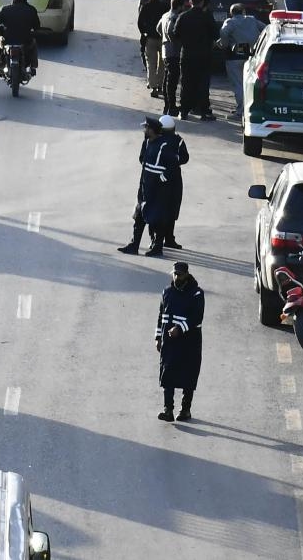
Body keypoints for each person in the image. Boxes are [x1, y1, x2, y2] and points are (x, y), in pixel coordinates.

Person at [155, 262, 204, 422]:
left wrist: (179, 328)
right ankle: (168, 410)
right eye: (175, 274)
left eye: (180, 274)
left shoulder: (197, 294)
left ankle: (185, 410)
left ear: (187, 275)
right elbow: (161, 315)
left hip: (189, 343)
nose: (177, 277)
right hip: (169, 342)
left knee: (188, 376)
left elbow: (197, 318)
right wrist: (157, 337)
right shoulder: (167, 292)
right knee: (167, 373)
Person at [140, 114, 189, 255]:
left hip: (161, 181)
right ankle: (161, 239)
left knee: (164, 209)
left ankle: (162, 239)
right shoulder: (175, 140)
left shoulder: (154, 140)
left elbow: (142, 158)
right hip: (169, 181)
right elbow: (184, 158)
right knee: (164, 209)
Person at [173, 0, 219, 121]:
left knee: (186, 83)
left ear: (190, 2)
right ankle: (203, 112)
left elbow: (175, 34)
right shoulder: (207, 17)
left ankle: (184, 111)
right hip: (204, 54)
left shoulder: (183, 16)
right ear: (202, 2)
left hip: (187, 54)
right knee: (203, 84)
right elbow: (216, 34)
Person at [117, 116, 160, 255]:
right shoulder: (147, 142)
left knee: (154, 218)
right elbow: (142, 158)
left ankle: (156, 246)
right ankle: (134, 245)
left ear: (152, 130)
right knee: (139, 216)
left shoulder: (160, 145)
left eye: (146, 127)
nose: (144, 130)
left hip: (155, 188)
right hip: (143, 185)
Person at [218, 3, 266, 117]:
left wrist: (223, 44)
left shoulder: (230, 22)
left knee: (238, 84)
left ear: (231, 13)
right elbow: (265, 28)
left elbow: (224, 32)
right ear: (243, 11)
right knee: (251, 83)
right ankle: (250, 108)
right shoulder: (252, 20)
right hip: (252, 54)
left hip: (235, 55)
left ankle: (241, 111)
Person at [0, 0, 40, 77]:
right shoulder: (31, 10)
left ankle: (0, 67)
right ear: (25, 0)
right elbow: (37, 27)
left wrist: (2, 32)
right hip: (25, 40)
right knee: (34, 43)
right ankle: (33, 67)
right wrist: (30, 32)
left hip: (7, 39)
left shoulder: (5, 9)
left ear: (14, 0)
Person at [157, 0, 188, 112]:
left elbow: (158, 28)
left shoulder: (165, 15)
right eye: (183, 6)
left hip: (165, 50)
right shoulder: (174, 17)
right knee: (172, 81)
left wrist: (165, 39)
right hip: (173, 52)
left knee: (167, 79)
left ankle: (167, 105)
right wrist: (175, 42)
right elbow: (170, 31)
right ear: (179, 6)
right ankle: (171, 106)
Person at [138, 0, 170, 93]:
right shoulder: (165, 7)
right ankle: (160, 85)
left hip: (150, 38)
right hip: (162, 38)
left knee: (151, 64)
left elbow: (140, 22)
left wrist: (144, 32)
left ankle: (153, 86)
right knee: (162, 64)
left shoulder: (146, 6)